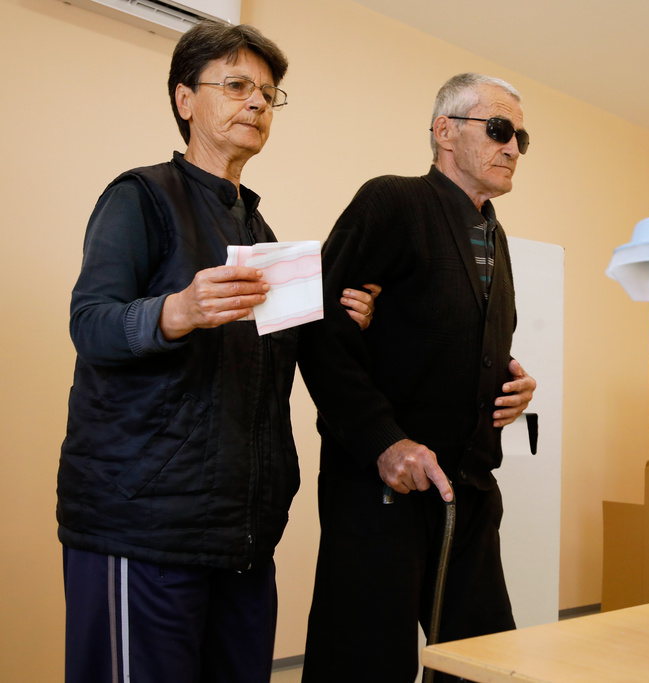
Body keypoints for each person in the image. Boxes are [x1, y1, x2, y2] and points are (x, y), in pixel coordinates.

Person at [56, 21, 376, 683]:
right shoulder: (138, 197)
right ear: (184, 99)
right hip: (142, 530)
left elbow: (280, 370)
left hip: (243, 539)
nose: (257, 103)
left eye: (267, 93)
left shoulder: (264, 236)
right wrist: (178, 309)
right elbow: (91, 323)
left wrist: (349, 316)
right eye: (236, 85)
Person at [298, 72, 537, 682]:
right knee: (366, 659)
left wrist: (510, 386)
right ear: (444, 133)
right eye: (499, 130)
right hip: (385, 487)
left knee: (485, 661)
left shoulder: (496, 236)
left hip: (469, 488)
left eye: (521, 138)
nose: (513, 148)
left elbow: (458, 340)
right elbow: (322, 331)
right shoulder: (392, 201)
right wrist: (385, 442)